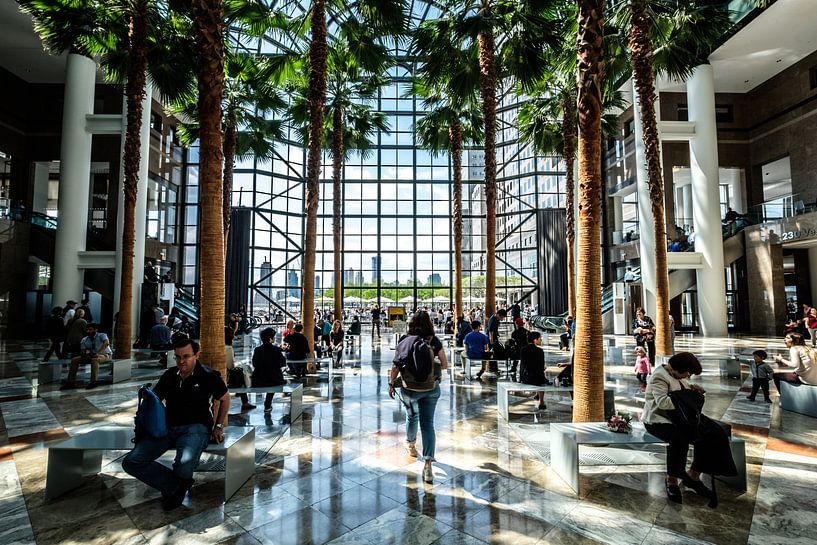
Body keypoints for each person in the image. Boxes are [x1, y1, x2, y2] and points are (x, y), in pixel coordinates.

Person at [122, 338, 230, 510]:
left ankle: (174, 489)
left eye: (186, 356)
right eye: (178, 357)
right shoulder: (170, 375)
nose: (181, 361)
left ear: (196, 355)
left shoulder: (208, 376)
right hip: (167, 427)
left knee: (184, 462)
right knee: (131, 462)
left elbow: (225, 399)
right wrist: (147, 397)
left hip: (196, 427)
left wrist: (218, 426)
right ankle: (175, 486)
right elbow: (156, 398)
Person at [642, 352, 715, 504]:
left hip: (679, 419)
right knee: (679, 438)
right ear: (677, 368)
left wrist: (692, 390)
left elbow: (682, 390)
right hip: (658, 421)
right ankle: (672, 480)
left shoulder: (677, 375)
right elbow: (663, 402)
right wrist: (688, 397)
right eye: (687, 372)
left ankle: (693, 474)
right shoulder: (659, 377)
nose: (688, 376)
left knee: (711, 433)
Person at [388, 310, 448, 484]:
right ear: (429, 323)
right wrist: (430, 366)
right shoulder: (434, 341)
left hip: (410, 389)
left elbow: (395, 366)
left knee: (412, 416)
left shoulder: (404, 340)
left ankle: (411, 445)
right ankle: (428, 464)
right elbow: (444, 365)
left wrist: (391, 383)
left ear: (411, 324)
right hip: (431, 388)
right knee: (428, 424)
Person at [61, 323, 112, 390]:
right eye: (87, 330)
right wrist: (83, 353)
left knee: (94, 360)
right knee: (74, 360)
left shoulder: (102, 335)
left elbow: (106, 343)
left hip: (105, 355)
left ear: (96, 330)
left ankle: (94, 382)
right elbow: (83, 350)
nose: (88, 331)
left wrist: (98, 353)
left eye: (90, 330)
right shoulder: (84, 339)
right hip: (92, 355)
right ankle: (70, 382)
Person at [251, 327, 287, 414]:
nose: (275, 338)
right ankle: (268, 403)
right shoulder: (276, 350)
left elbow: (255, 364)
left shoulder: (257, 350)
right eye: (274, 336)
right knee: (273, 378)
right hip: (275, 379)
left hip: (259, 379)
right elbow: (283, 363)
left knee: (269, 377)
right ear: (270, 338)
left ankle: (268, 404)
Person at [519, 331, 550, 410]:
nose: (541, 340)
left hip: (525, 378)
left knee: (536, 373)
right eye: (540, 338)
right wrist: (544, 368)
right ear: (535, 340)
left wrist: (521, 378)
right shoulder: (540, 351)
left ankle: (537, 394)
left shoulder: (523, 350)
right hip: (536, 379)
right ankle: (541, 402)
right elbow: (541, 367)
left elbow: (522, 365)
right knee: (541, 375)